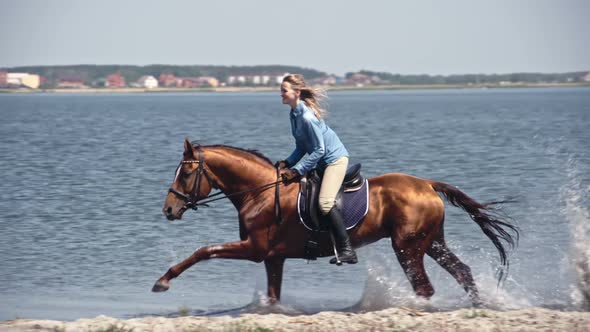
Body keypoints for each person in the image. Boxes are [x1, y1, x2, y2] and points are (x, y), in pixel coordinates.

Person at [276, 74, 358, 264]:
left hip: (334, 161)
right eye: (281, 90)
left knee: (325, 203)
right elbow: (303, 146)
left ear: (296, 93)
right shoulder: (294, 114)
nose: (280, 94)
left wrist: (297, 170)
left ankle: (347, 250)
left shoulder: (306, 117)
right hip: (320, 161)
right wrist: (287, 163)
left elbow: (319, 149)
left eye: (284, 90)